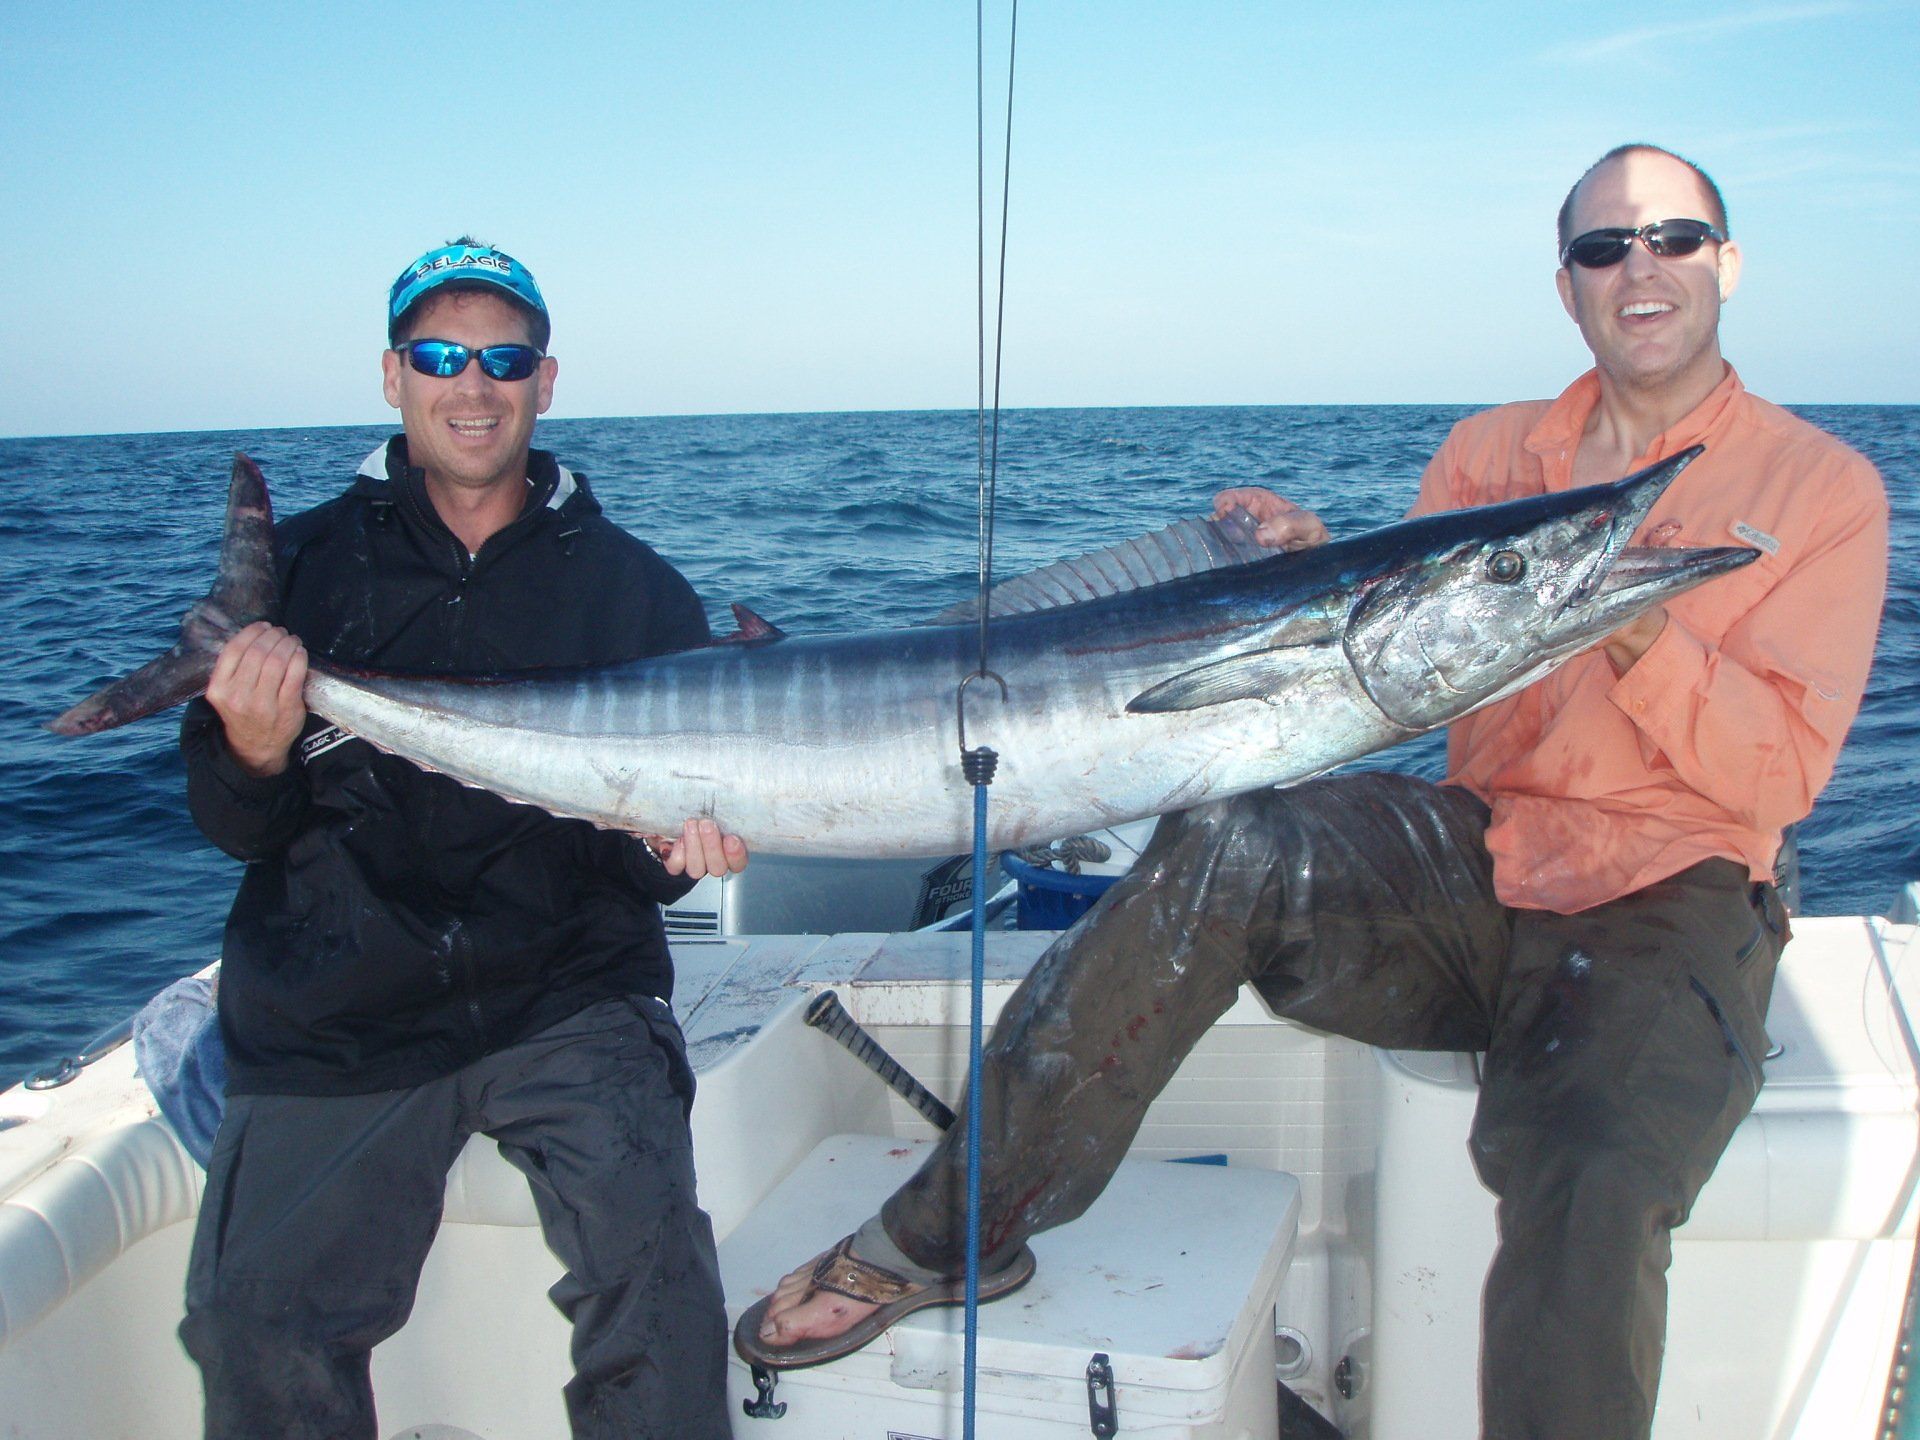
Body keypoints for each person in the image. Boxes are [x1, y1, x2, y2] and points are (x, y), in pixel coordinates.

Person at [739, 145, 1890, 1438]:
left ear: (1726, 266)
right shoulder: (1487, 450)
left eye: (1676, 237)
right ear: (1567, 285)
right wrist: (1311, 582)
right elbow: (1428, 684)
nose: (1642, 265)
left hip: (1671, 893)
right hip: (1482, 861)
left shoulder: (1826, 489)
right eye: (1603, 245)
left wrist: (1627, 625)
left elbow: (1779, 776)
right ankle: (954, 1231)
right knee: (1227, 836)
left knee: (1596, 1171)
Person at [177, 240, 747, 1440]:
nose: (472, 383)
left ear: (547, 381)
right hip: (339, 1001)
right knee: (252, 1323)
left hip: (569, 989)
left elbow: (628, 859)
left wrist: (670, 849)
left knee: (663, 1293)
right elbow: (235, 827)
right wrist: (255, 744)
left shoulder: (634, 589)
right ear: (394, 377)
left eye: (504, 357)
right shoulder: (303, 570)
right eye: (441, 354)